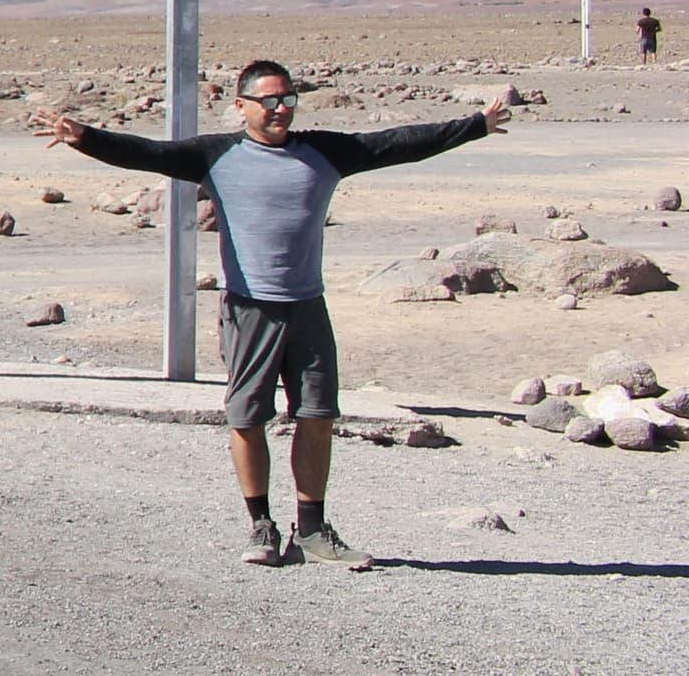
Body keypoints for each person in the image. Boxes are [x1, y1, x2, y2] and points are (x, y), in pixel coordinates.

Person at [34, 63, 505, 569]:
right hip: (249, 309)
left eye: (287, 99)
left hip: (308, 307)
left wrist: (475, 125)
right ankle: (261, 525)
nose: (280, 109)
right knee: (247, 417)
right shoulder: (216, 155)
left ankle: (312, 529)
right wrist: (85, 137)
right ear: (241, 106)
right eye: (269, 101)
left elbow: (397, 142)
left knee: (318, 416)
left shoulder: (324, 151)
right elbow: (149, 154)